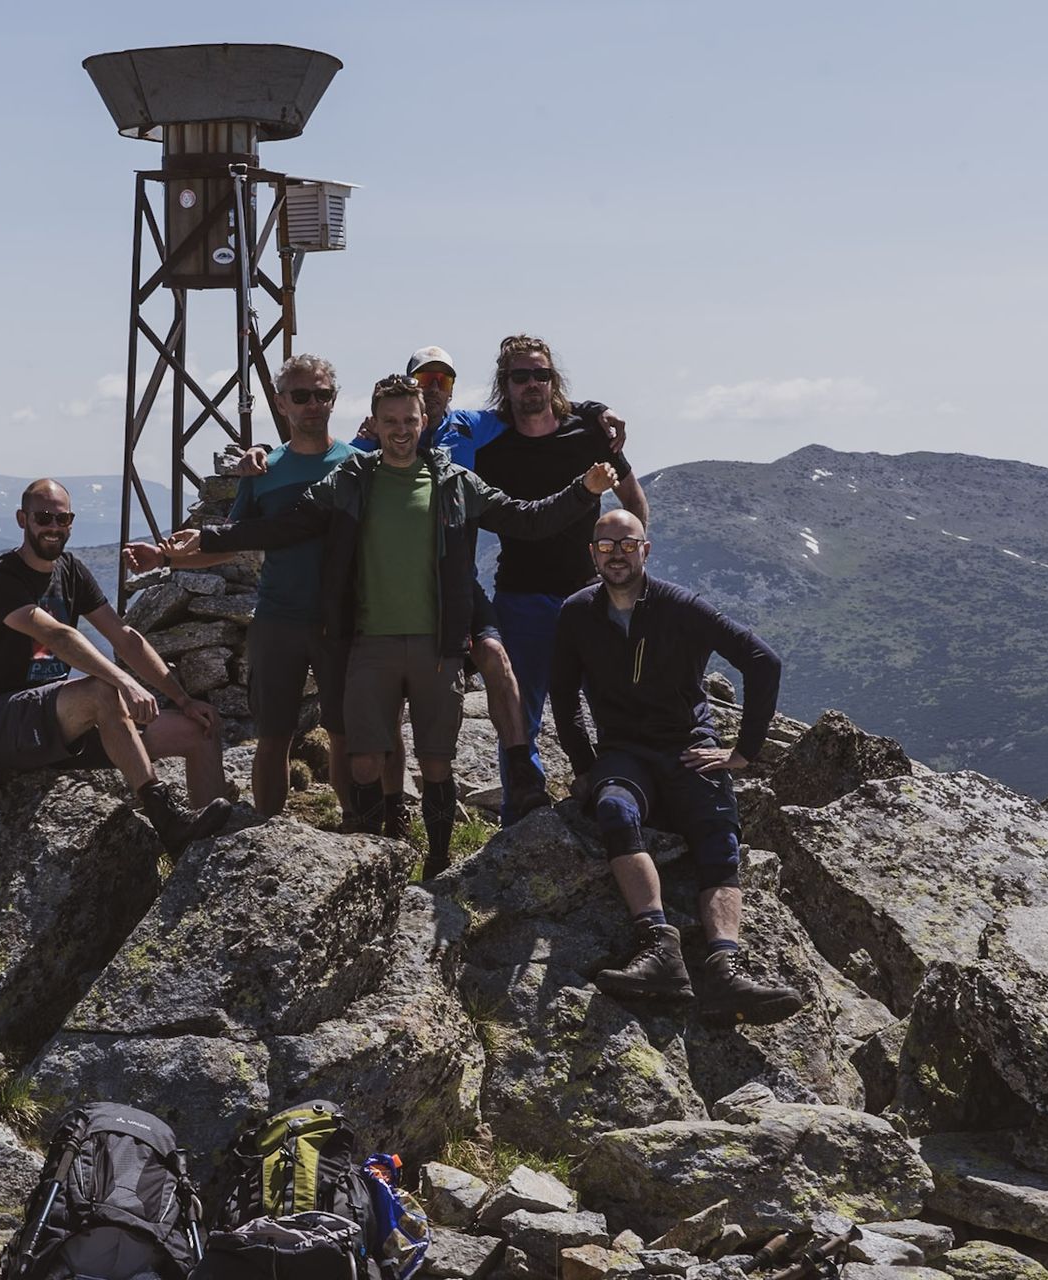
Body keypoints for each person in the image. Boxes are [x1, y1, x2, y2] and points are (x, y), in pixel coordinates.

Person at [170, 374, 617, 877]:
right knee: (364, 761)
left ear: (424, 422)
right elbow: (285, 525)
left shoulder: (454, 484)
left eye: (410, 420)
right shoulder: (352, 481)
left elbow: (529, 518)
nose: (400, 430)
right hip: (369, 643)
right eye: (390, 421)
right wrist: (207, 537)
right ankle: (371, 861)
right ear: (375, 424)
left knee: (436, 765)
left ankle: (438, 863)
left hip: (437, 646)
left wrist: (584, 490)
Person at [547, 509, 804, 1025]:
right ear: (592, 553)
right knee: (615, 812)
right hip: (623, 752)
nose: (615, 552)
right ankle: (660, 950)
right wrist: (584, 765)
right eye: (604, 545)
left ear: (646, 549)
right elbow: (563, 694)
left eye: (626, 542)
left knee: (718, 839)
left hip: (687, 746)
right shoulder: (577, 612)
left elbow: (762, 660)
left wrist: (743, 752)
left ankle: (725, 969)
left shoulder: (680, 607)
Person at [123, 354, 356, 819]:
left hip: (341, 621)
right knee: (273, 736)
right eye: (301, 395)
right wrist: (166, 556)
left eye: (322, 395)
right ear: (281, 402)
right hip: (277, 620)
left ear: (335, 399)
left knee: (345, 733)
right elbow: (232, 542)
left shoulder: (357, 465)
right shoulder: (265, 471)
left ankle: (357, 827)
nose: (313, 405)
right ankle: (267, 830)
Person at [0, 478, 231, 856]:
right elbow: (55, 634)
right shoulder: (0, 578)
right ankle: (167, 821)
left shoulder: (70, 570)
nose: (54, 527)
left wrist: (182, 699)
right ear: (23, 519)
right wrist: (123, 681)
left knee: (198, 729)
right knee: (102, 690)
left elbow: (125, 636)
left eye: (63, 518)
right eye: (44, 518)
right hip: (2, 722)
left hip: (62, 721)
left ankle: (208, 853)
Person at [472, 336, 647, 804]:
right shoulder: (493, 448)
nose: (532, 384)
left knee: (610, 707)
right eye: (521, 376)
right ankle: (522, 814)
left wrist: (628, 572)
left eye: (541, 374)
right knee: (518, 718)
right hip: (521, 598)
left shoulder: (589, 434)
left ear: (554, 379)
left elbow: (632, 501)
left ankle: (620, 799)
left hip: (589, 597)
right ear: (504, 384)